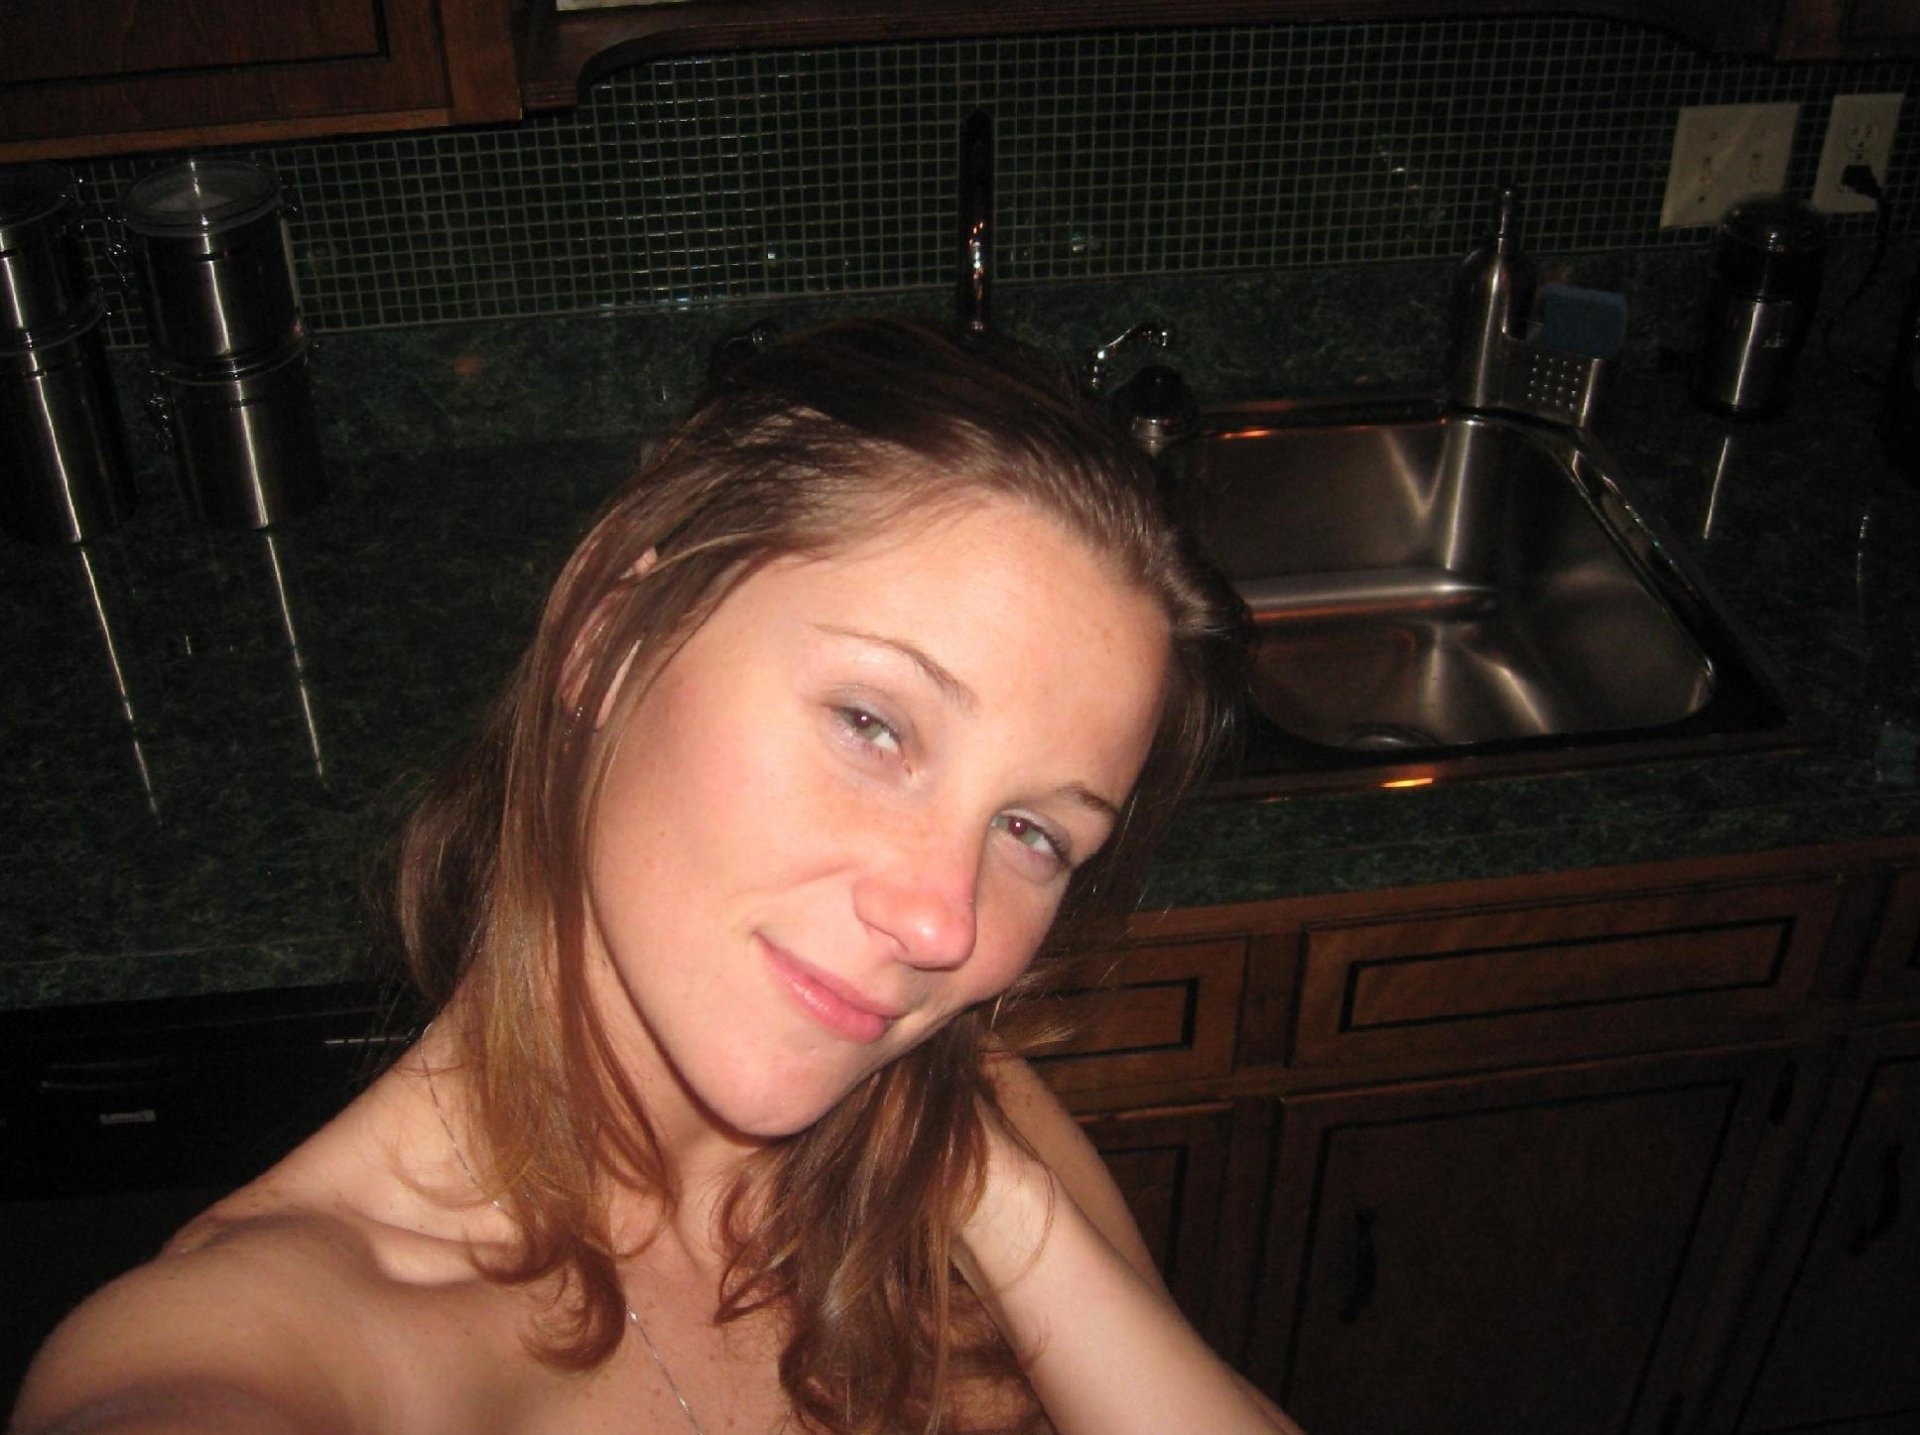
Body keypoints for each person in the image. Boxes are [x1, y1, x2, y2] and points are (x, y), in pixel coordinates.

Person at [11, 316, 1300, 1435]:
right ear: (610, 633)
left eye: (1032, 834)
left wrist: (997, 1200)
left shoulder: (972, 1124)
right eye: (871, 724)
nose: (939, 922)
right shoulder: (276, 1340)